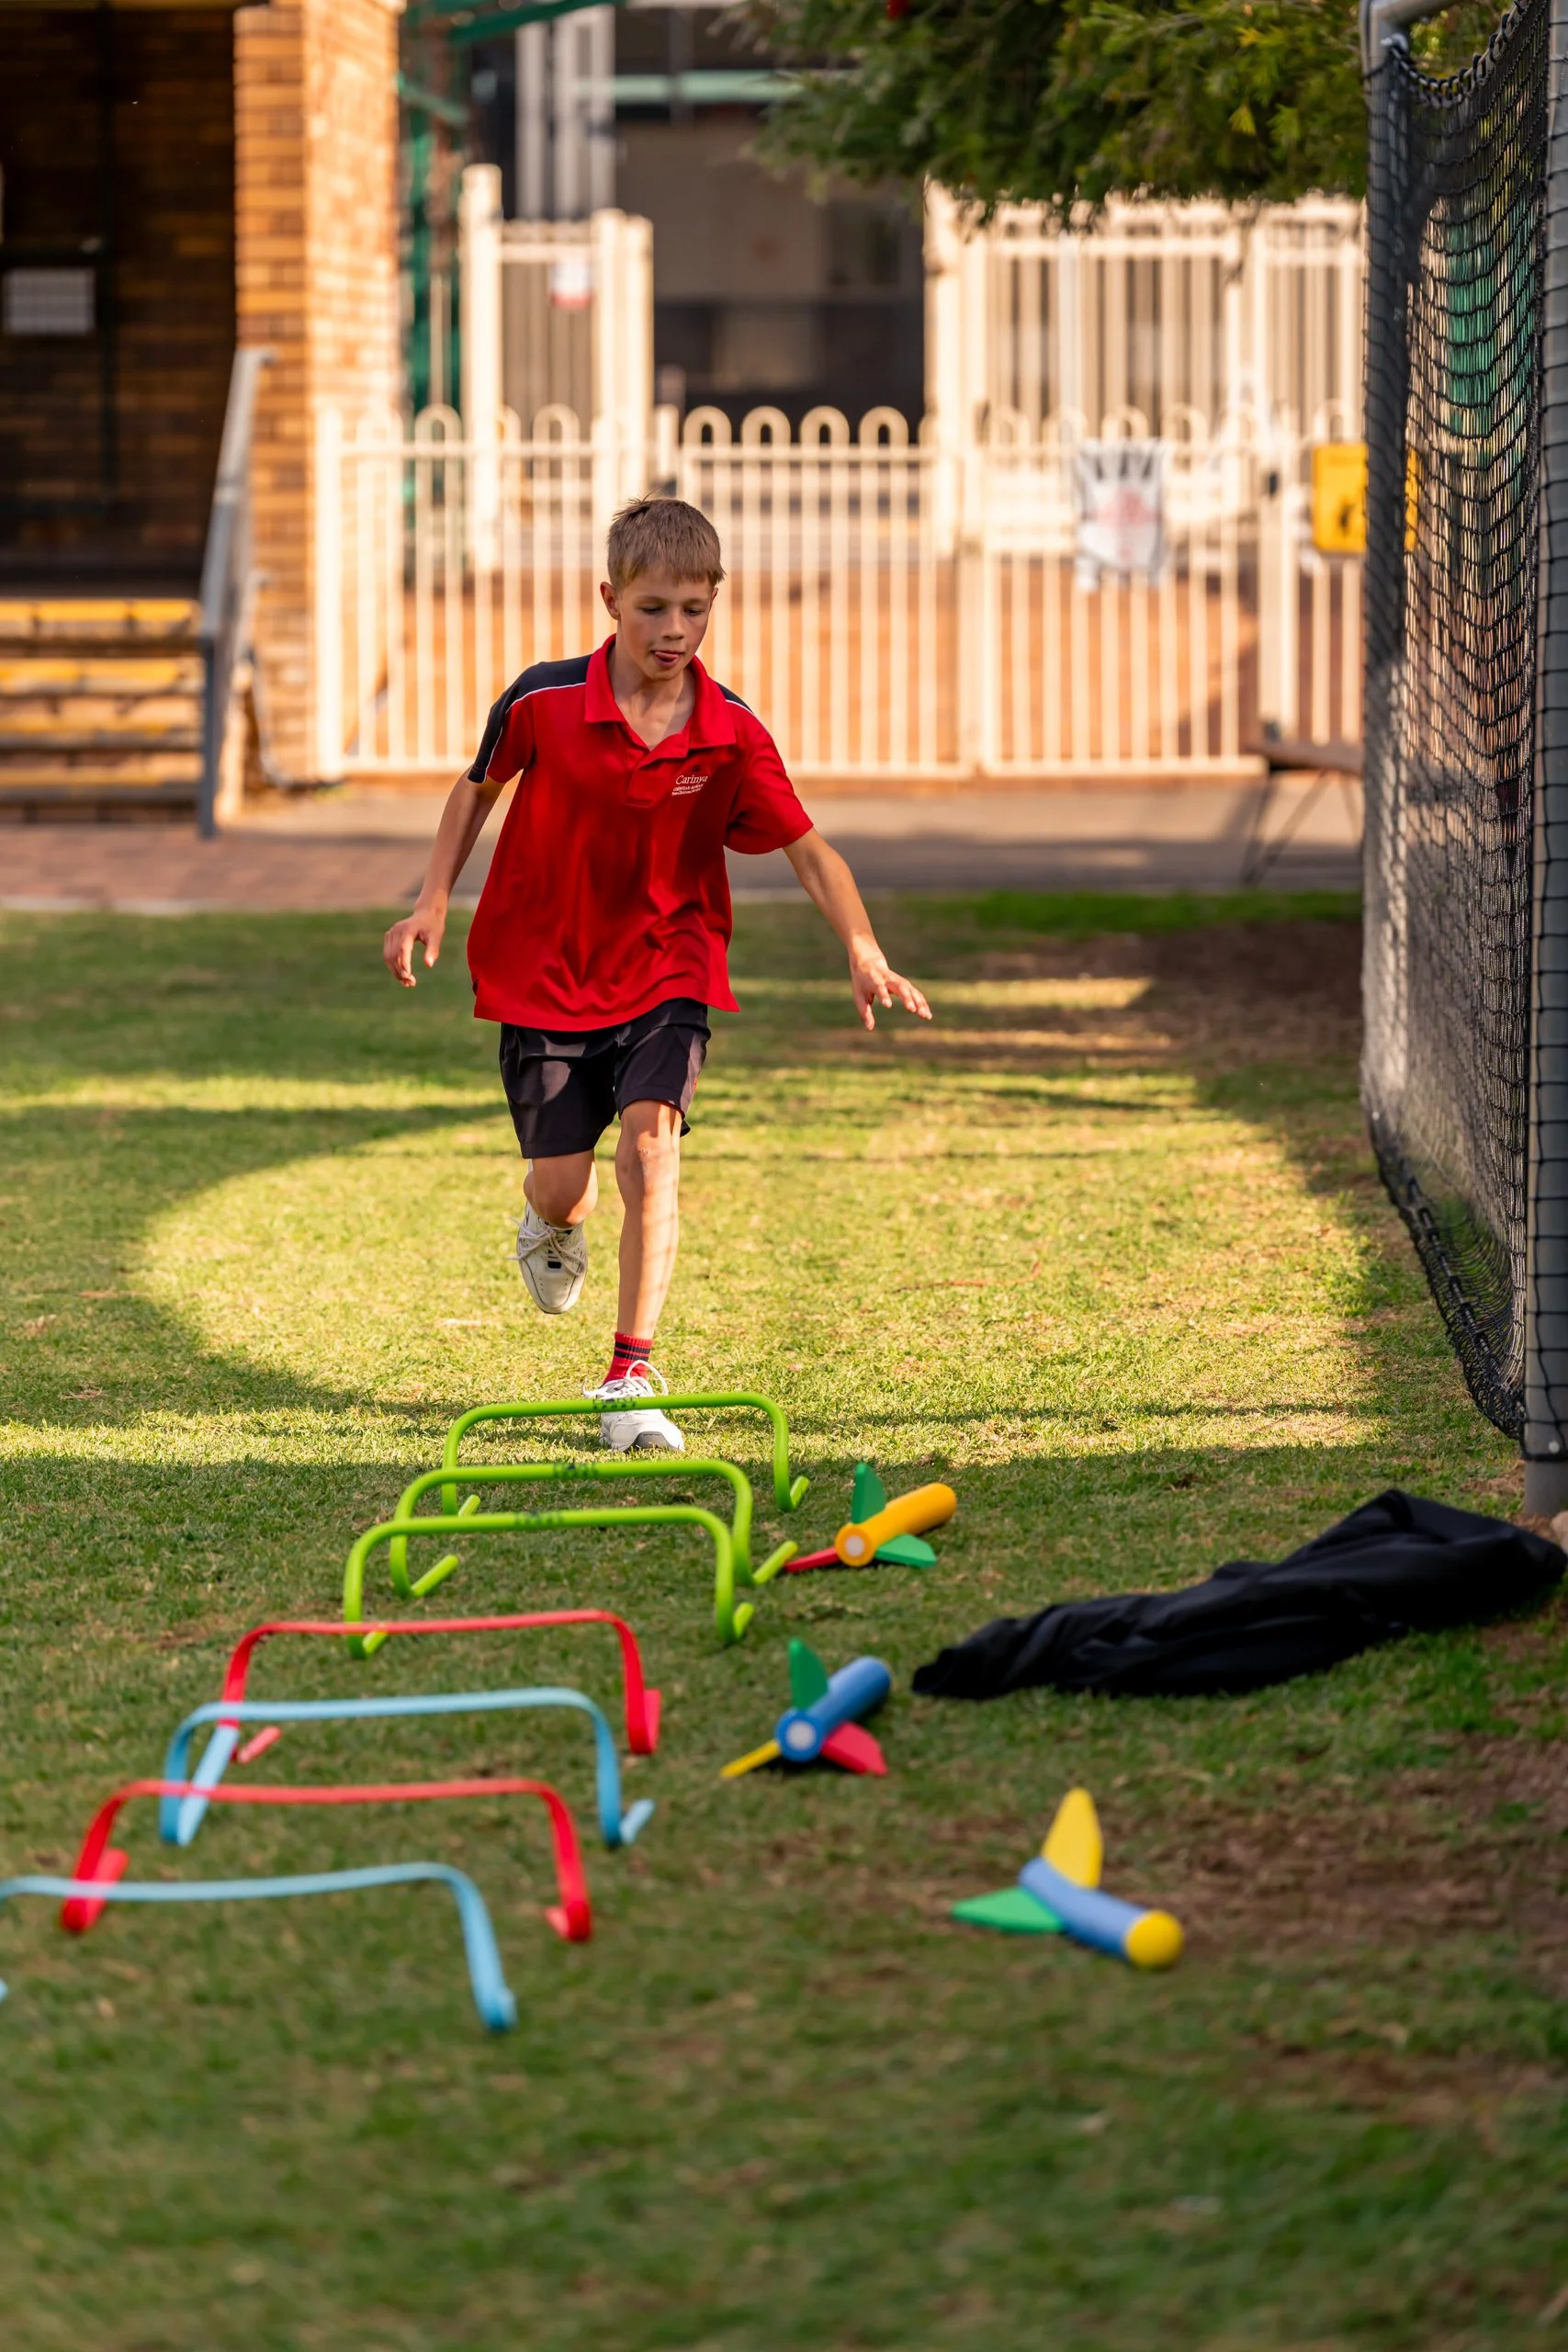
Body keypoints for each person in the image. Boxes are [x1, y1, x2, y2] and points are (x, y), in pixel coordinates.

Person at [383, 496, 930, 1453]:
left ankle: (629, 1372)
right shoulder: (544, 701)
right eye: (653, 609)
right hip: (544, 969)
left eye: (694, 609)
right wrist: (431, 900)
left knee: (649, 1148)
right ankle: (549, 1221)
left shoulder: (730, 730)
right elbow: (475, 793)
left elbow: (811, 852)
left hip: (669, 965)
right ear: (609, 598)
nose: (674, 631)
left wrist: (863, 944)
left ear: (714, 605)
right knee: (566, 1186)